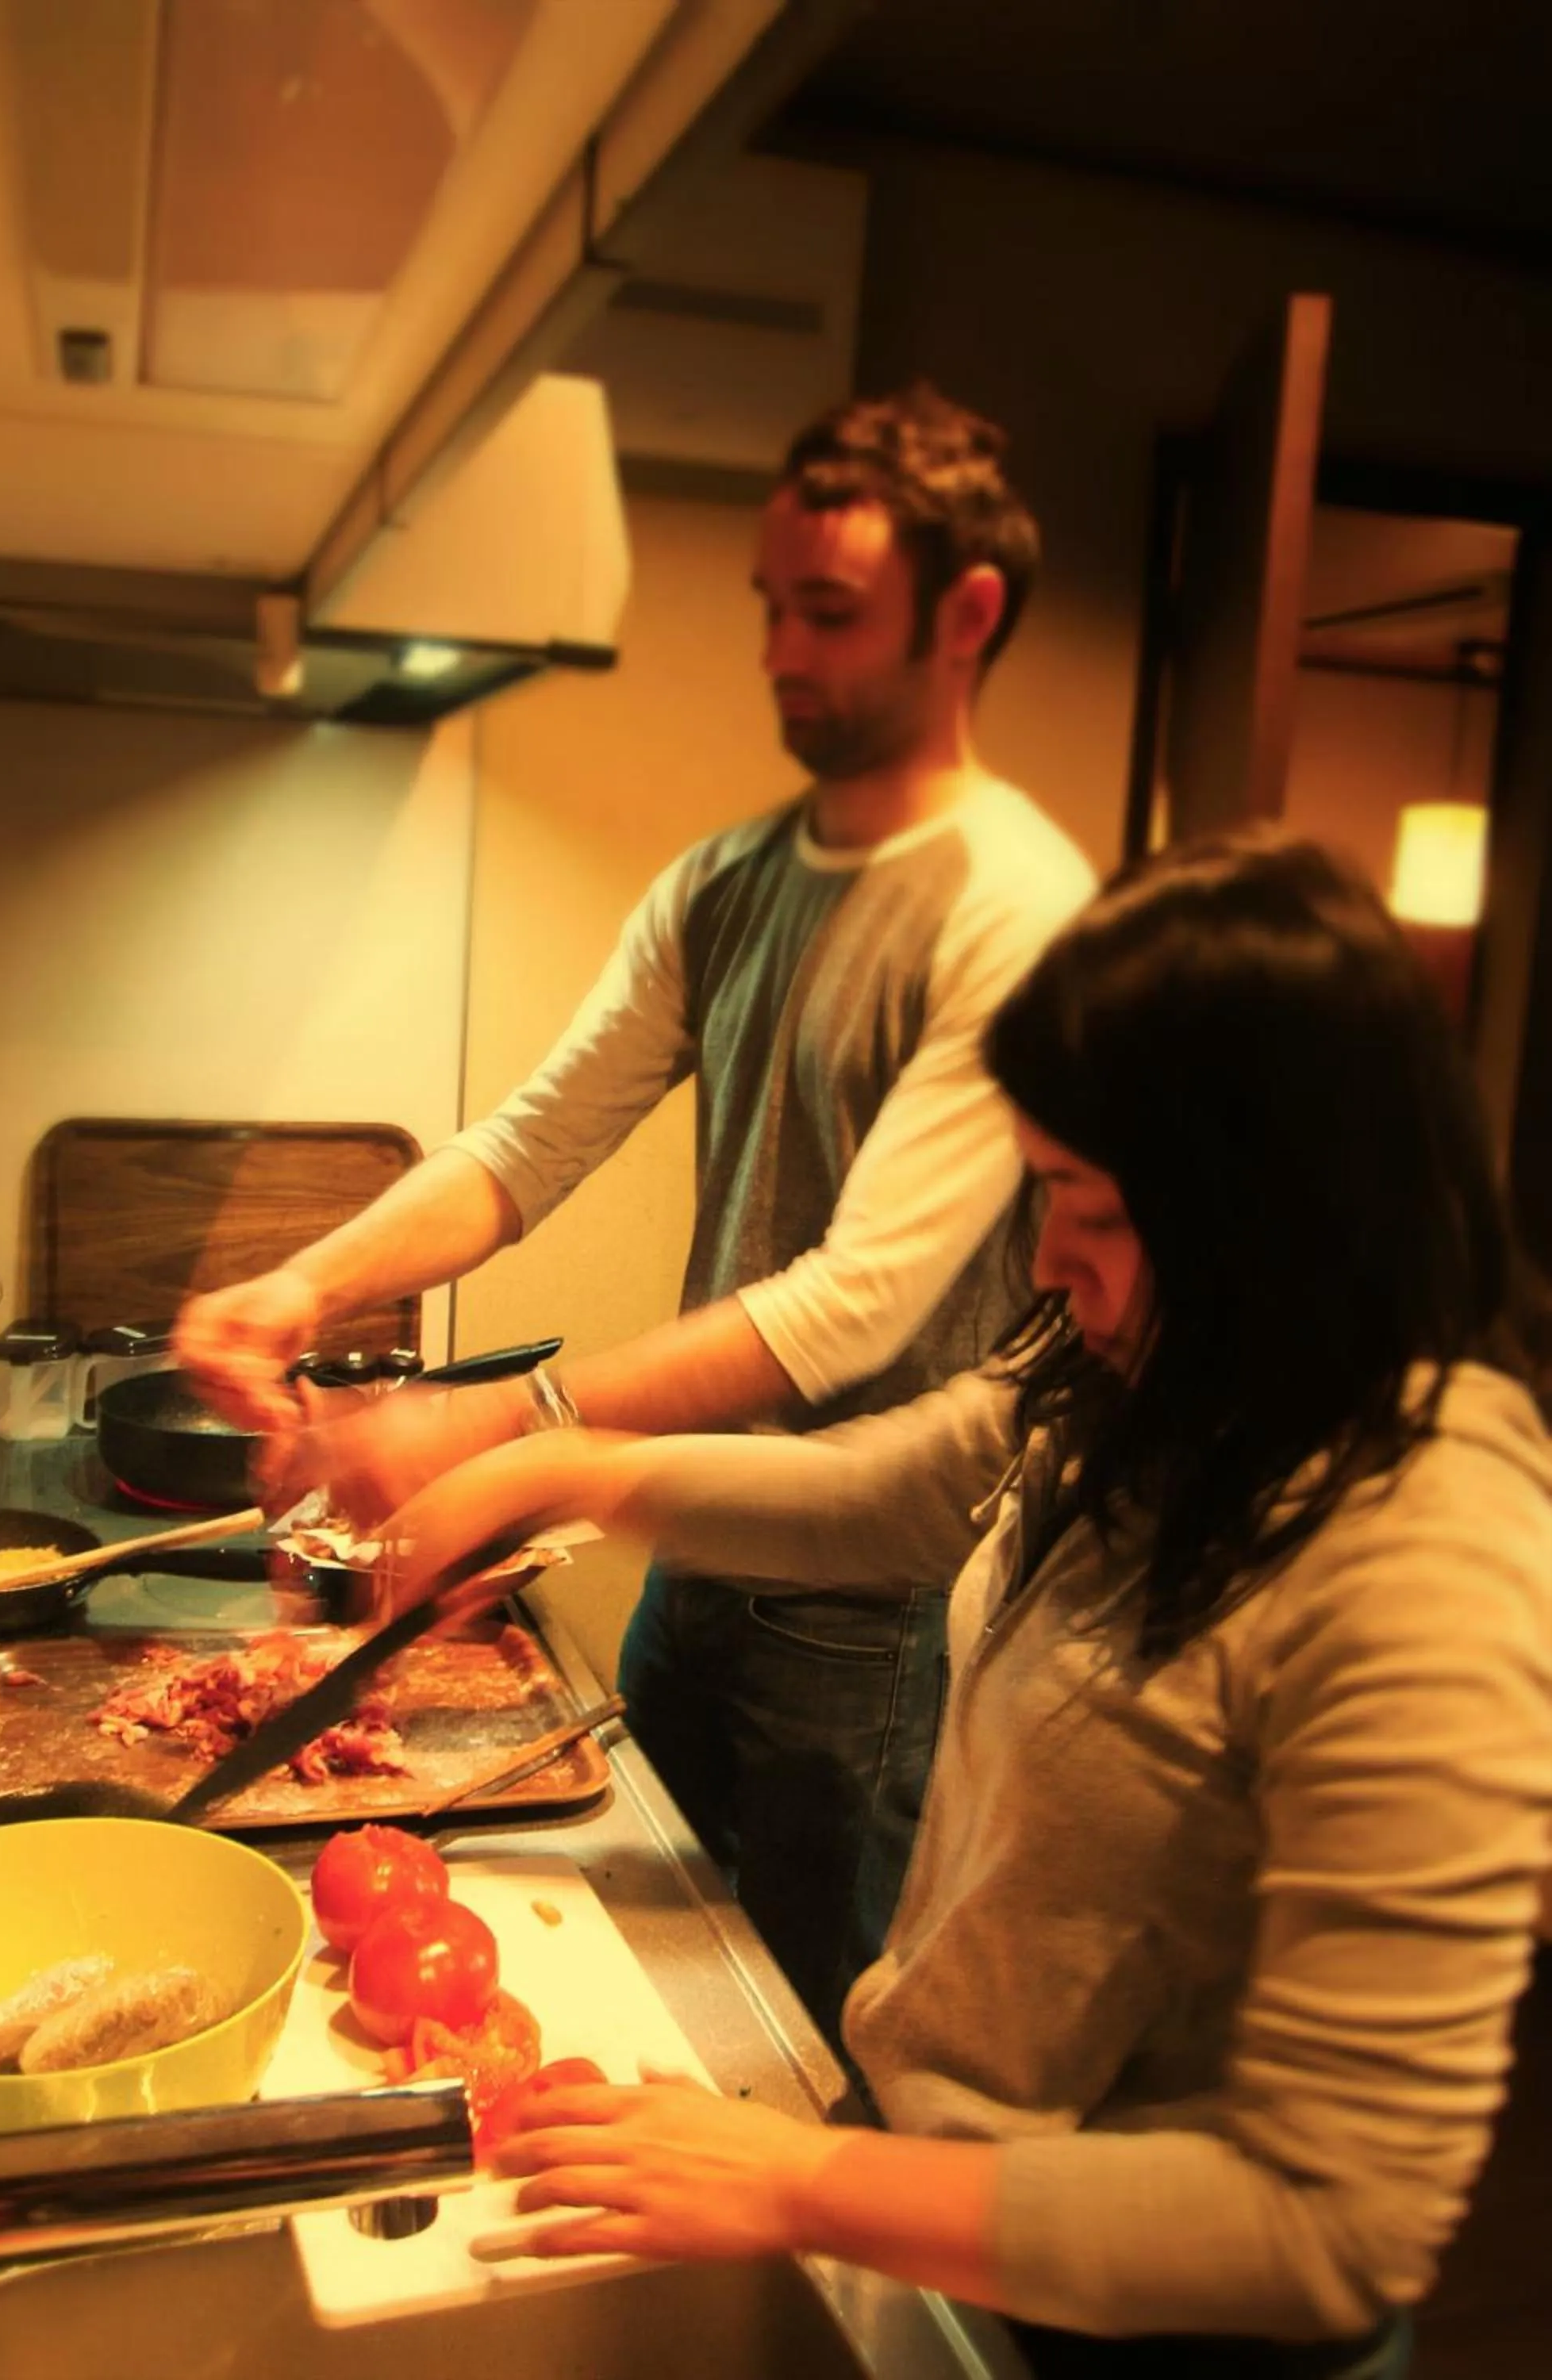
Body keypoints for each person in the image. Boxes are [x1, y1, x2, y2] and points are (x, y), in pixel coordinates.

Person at [366, 839, 1552, 2377]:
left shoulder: (1430, 1554)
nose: (1049, 1258)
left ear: (1273, 1207)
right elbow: (894, 1490)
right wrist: (563, 1470)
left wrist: (802, 2180)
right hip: (952, 2220)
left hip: (1167, 2341)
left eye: (1092, 1207)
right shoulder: (1170, 1370)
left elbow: (1334, 2225)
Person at [176, 383, 1095, 2036]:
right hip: (697, 1536)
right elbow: (528, 1148)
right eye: (771, 606)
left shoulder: (1016, 910)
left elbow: (850, 1307)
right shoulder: (731, 881)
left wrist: (482, 1427)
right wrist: (297, 1292)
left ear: (966, 619)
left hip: (869, 1599)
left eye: (830, 613)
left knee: (810, 2029)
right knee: (663, 1990)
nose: (779, 654)